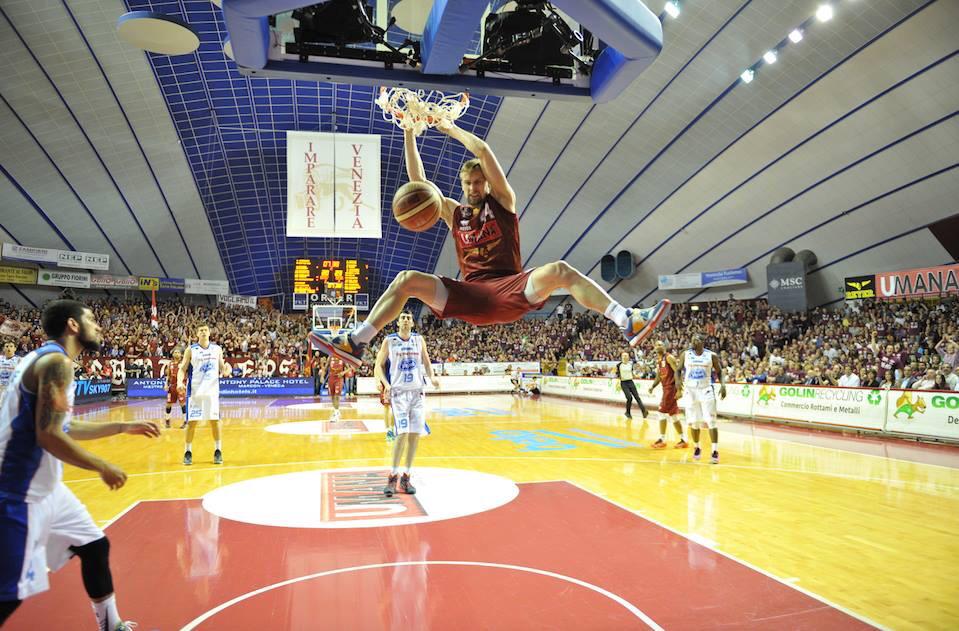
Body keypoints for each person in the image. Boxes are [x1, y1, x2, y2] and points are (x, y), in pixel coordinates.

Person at [310, 119, 671, 366]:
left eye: (479, 183)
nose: (473, 188)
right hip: (471, 295)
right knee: (406, 281)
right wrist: (409, 133)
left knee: (559, 270)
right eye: (468, 184)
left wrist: (449, 128)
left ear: (487, 184)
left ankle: (627, 319)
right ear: (463, 186)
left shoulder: (504, 203)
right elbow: (418, 183)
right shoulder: (455, 215)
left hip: (510, 289)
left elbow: (482, 150)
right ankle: (356, 341)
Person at [0, 299, 160, 629]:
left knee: (94, 545)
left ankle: (111, 625)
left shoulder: (43, 358)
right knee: (9, 595)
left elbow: (64, 426)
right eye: (91, 318)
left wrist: (121, 426)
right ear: (73, 325)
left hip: (46, 490)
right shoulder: (58, 364)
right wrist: (102, 465)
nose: (98, 325)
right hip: (17, 491)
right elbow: (49, 436)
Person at [375, 311, 439, 496]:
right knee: (401, 435)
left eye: (408, 318)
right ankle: (392, 476)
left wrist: (432, 378)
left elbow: (427, 363)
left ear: (412, 323)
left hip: (417, 393)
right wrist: (385, 384)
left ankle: (406, 476)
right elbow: (378, 365)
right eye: (402, 317)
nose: (405, 320)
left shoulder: (419, 340)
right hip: (399, 394)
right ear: (398, 322)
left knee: (414, 436)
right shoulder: (390, 340)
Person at [177, 323, 231, 466]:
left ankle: (218, 450)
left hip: (212, 392)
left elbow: (222, 367)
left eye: (205, 330)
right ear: (197, 334)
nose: (203, 332)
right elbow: (182, 369)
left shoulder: (217, 349)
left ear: (209, 333)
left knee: (215, 422)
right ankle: (187, 451)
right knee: (192, 423)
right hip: (195, 392)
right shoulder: (191, 350)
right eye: (200, 330)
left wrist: (227, 369)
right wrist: (179, 382)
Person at [674, 334, 726, 464]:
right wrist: (677, 383)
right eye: (692, 339)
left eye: (696, 339)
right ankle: (697, 447)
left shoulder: (711, 355)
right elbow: (678, 370)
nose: (693, 341)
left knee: (711, 421)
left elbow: (719, 371)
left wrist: (723, 385)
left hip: (706, 389)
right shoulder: (685, 354)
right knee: (694, 422)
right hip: (690, 391)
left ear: (702, 342)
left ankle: (715, 451)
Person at [649, 341, 687, 449]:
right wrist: (653, 386)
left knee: (661, 412)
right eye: (656, 345)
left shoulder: (669, 358)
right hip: (665, 388)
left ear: (664, 346)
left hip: (671, 389)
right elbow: (659, 376)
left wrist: (679, 390)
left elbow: (678, 372)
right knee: (674, 416)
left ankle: (662, 439)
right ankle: (683, 439)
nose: (658, 346)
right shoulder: (659, 360)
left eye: (660, 344)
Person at [615, 351, 647, 420]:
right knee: (629, 398)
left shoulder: (630, 364)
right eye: (624, 356)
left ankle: (644, 411)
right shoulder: (619, 365)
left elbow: (631, 373)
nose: (625, 357)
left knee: (637, 397)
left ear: (628, 357)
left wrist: (636, 376)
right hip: (624, 383)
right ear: (621, 357)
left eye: (626, 355)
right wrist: (617, 382)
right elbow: (617, 375)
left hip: (630, 381)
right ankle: (628, 412)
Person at [163, 348, 187, 429]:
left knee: (182, 404)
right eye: (175, 352)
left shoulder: (184, 363)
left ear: (181, 355)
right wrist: (166, 384)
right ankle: (167, 420)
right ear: (172, 354)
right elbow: (168, 376)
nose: (176, 353)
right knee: (168, 404)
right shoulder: (170, 364)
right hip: (172, 386)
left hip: (180, 386)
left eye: (178, 352)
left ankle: (185, 421)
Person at [324, 355, 350, 423]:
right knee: (332, 397)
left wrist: (343, 373)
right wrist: (322, 375)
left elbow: (349, 368)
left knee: (337, 396)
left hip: (339, 379)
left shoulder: (342, 357)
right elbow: (326, 367)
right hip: (331, 378)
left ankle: (336, 414)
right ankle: (336, 411)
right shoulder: (330, 357)